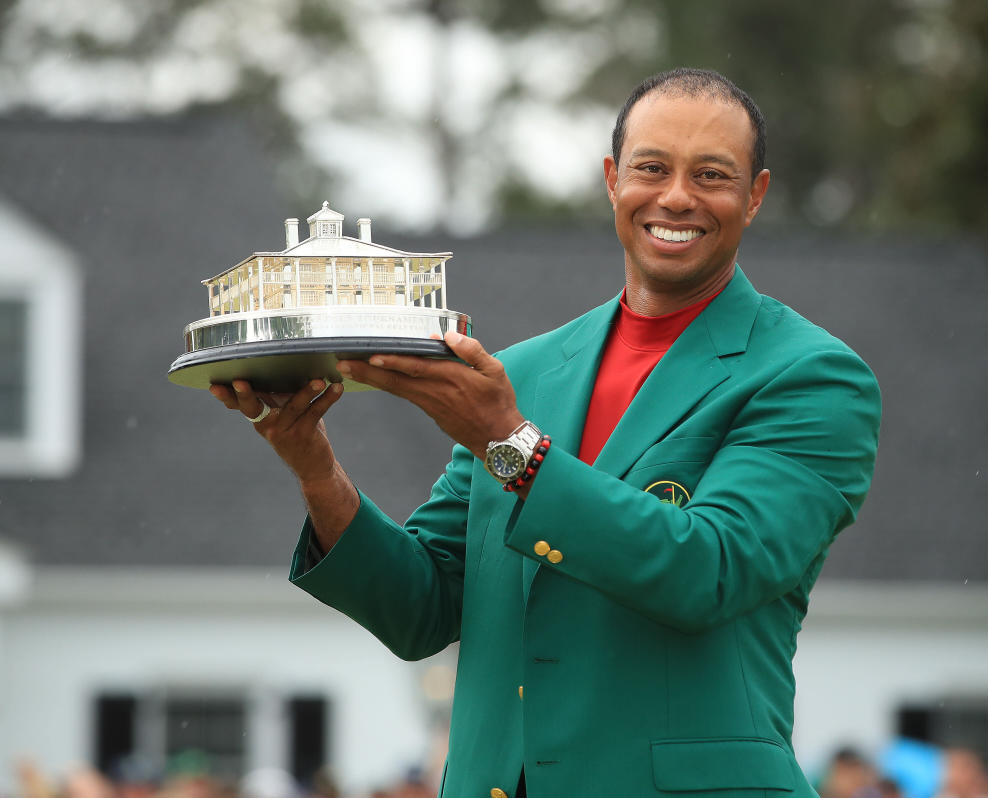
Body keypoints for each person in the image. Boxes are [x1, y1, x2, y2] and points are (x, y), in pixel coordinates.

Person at [210, 68, 881, 798]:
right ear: (611, 181)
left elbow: (710, 571)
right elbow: (421, 609)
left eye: (712, 174)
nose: (677, 196)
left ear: (755, 196)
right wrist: (314, 467)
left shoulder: (811, 377)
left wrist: (511, 445)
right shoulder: (525, 372)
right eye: (651, 168)